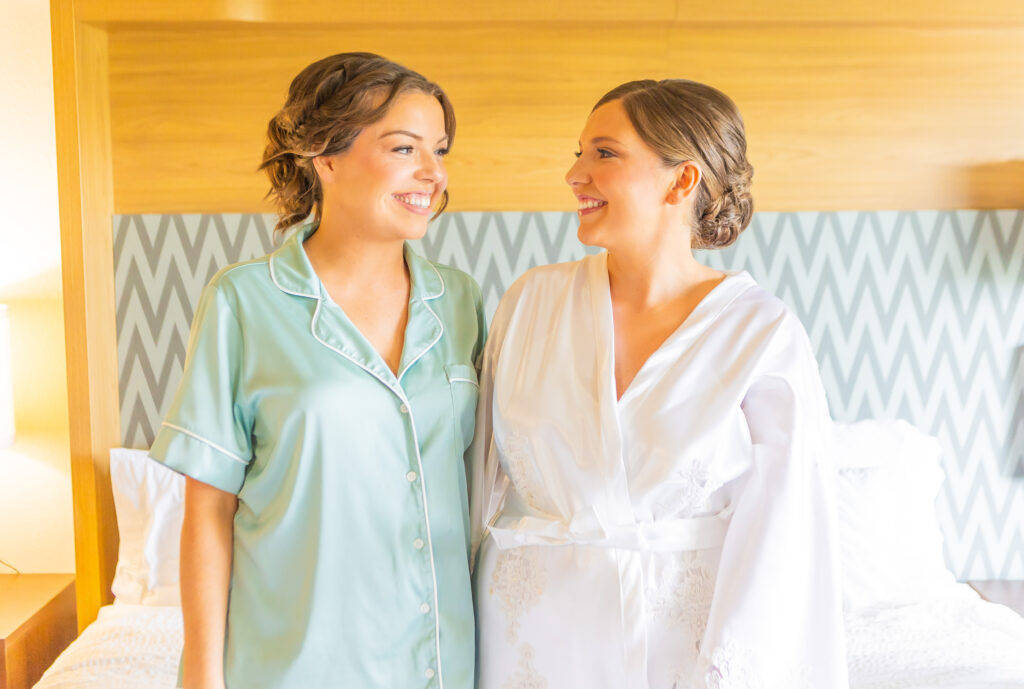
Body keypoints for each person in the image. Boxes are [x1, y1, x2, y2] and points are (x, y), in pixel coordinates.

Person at [470, 79, 848, 688]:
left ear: (682, 180)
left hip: (675, 650)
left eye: (604, 153)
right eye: (579, 153)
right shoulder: (532, 301)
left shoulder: (758, 330)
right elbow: (476, 484)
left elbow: (786, 528)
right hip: (526, 642)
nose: (575, 174)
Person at [149, 52, 485, 689]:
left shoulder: (462, 301)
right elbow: (208, 511)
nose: (432, 174)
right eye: (403, 148)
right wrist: (202, 677)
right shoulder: (244, 301)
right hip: (292, 663)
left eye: (438, 151)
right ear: (324, 157)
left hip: (436, 660)